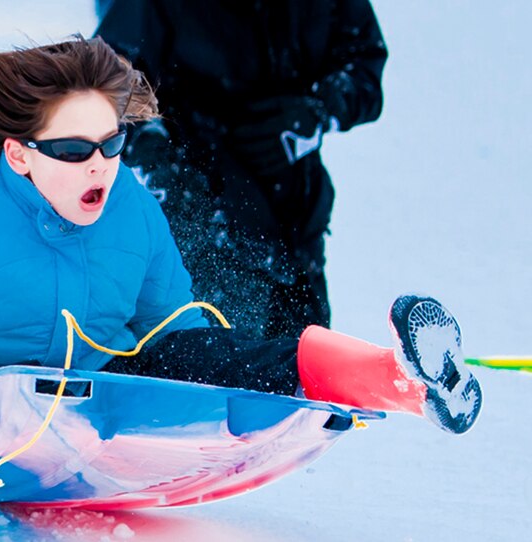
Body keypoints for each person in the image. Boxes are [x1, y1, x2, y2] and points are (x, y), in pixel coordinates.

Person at [0, 37, 480, 456]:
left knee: (218, 355)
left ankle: (403, 381)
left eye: (112, 144)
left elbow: (172, 326)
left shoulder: (130, 208)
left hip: (96, 400)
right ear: (20, 156)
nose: (101, 166)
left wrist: (228, 379)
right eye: (76, 150)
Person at [95, 0, 388, 340]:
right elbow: (110, 78)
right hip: (203, 213)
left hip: (296, 218)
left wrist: (318, 111)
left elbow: (364, 62)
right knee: (219, 367)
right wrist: (151, 148)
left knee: (303, 371)